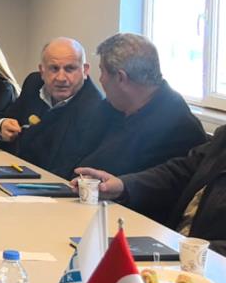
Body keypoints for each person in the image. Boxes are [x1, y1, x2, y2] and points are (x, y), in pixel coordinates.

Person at [75, 126, 226, 254]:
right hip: (178, 249)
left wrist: (191, 250)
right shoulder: (222, 138)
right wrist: (123, 186)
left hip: (204, 260)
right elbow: (178, 174)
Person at [74, 33, 206, 176]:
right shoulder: (112, 107)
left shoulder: (178, 128)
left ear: (121, 78)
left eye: (102, 71)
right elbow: (79, 154)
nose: (100, 79)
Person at [0, 37, 107, 179]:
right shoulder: (33, 83)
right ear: (42, 71)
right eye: (54, 68)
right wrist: (2, 125)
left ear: (85, 70)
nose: (61, 78)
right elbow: (3, 118)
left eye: (70, 69)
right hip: (15, 171)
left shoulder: (95, 109)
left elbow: (67, 169)